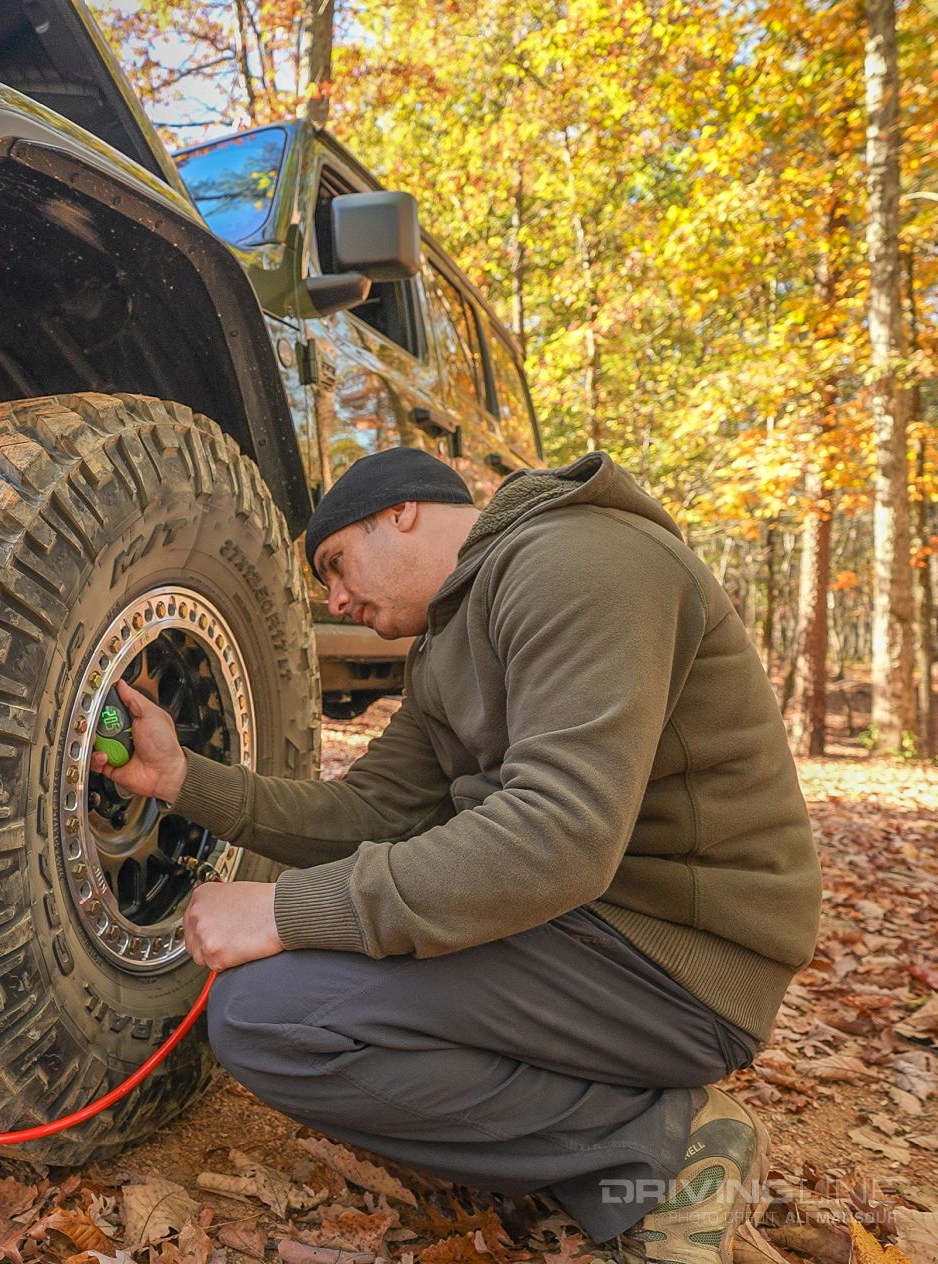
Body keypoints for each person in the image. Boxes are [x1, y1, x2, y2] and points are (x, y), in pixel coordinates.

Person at [92, 447, 821, 1262]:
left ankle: (663, 1140)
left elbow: (558, 838)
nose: (334, 598)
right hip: (585, 927)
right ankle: (605, 1121)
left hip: (674, 963)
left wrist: (289, 912)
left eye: (336, 563)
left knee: (271, 1014)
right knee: (271, 1006)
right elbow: (367, 813)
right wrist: (183, 778)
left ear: (400, 511)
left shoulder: (581, 559)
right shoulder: (448, 645)